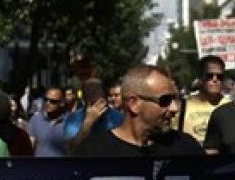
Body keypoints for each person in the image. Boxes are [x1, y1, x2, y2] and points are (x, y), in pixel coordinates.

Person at [74, 66, 204, 157]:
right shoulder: (94, 153)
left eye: (175, 99)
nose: (174, 108)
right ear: (133, 103)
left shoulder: (187, 148)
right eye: (165, 100)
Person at [64, 78, 124, 154]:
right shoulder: (74, 118)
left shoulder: (118, 117)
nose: (93, 95)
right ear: (84, 97)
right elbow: (70, 148)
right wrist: (87, 123)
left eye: (96, 91)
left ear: (104, 94)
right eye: (89, 91)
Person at [178, 55, 226, 144]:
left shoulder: (231, 106)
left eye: (219, 76)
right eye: (209, 76)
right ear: (200, 78)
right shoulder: (182, 106)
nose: (215, 80)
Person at [28, 86, 68, 157]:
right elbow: (30, 147)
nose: (48, 103)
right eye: (45, 99)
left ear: (62, 103)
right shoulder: (35, 120)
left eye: (53, 101)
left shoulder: (70, 121)